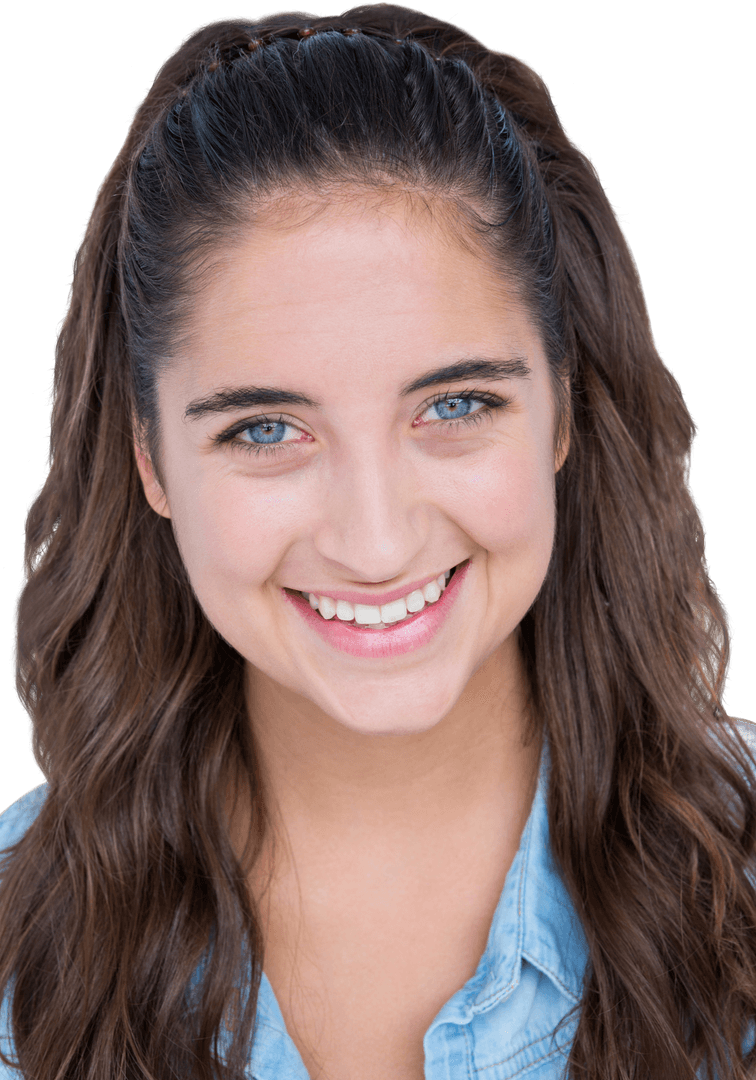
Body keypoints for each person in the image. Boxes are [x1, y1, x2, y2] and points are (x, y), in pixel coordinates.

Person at [0, 5, 754, 1078]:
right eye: (265, 429)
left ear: (564, 413)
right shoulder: (13, 965)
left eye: (453, 406)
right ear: (151, 461)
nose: (375, 537)